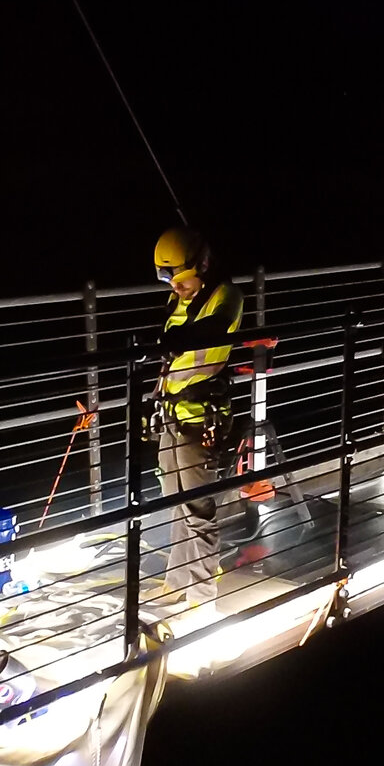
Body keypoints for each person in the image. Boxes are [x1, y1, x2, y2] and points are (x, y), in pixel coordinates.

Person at [148, 225, 245, 600]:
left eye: (184, 281)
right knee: (175, 503)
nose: (178, 289)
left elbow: (214, 328)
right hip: (170, 414)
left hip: (199, 417)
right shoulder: (178, 302)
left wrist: (177, 340)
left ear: (203, 266)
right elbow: (169, 364)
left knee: (198, 510)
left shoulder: (228, 296)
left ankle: (202, 597)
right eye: (173, 283)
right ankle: (177, 582)